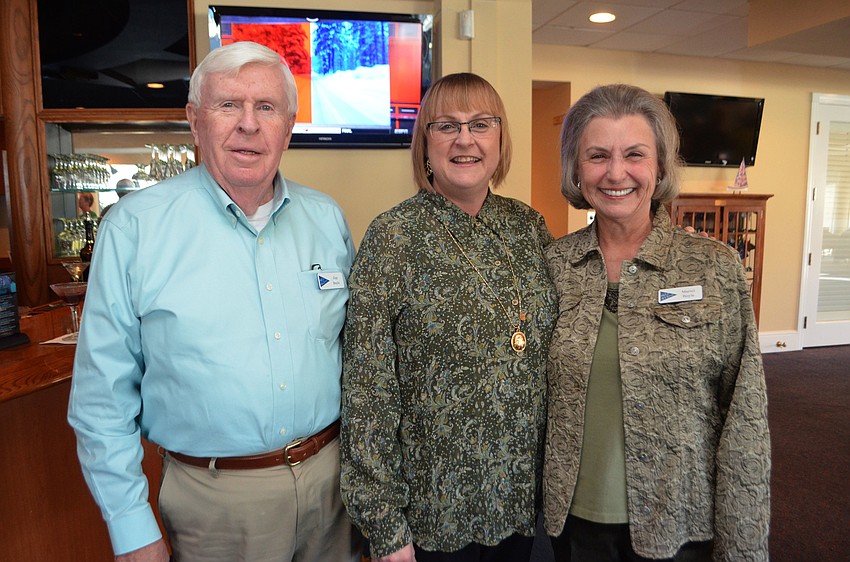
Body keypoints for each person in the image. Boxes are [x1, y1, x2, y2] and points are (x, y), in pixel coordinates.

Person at [68, 41, 360, 562]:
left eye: (266, 107)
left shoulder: (327, 220)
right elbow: (100, 402)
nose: (249, 124)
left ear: (288, 127)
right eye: (229, 105)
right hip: (213, 505)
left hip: (332, 489)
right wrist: (133, 531)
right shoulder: (135, 228)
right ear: (194, 121)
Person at [543, 83, 770, 561]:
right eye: (598, 155)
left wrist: (743, 547)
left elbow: (745, 420)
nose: (615, 172)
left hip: (679, 523)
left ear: (660, 166)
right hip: (573, 525)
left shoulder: (713, 268)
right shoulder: (553, 268)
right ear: (576, 170)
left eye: (635, 155)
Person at [340, 72, 559, 562]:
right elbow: (367, 386)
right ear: (425, 145)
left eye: (481, 124)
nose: (465, 139)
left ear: (500, 140)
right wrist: (385, 526)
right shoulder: (393, 237)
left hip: (519, 499)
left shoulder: (528, 228)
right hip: (432, 508)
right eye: (447, 126)